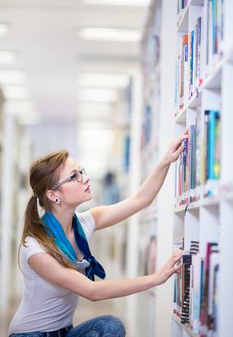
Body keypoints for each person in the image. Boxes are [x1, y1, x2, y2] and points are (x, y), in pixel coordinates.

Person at [9, 134, 186, 337]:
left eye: (81, 172)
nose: (85, 178)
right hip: (31, 334)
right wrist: (156, 279)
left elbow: (141, 200)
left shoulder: (85, 222)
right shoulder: (35, 247)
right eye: (74, 176)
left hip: (65, 331)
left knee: (111, 326)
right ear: (53, 195)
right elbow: (93, 292)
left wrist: (165, 161)